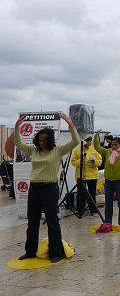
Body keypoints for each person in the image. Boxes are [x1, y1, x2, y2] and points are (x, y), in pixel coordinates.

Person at [15, 113, 79, 263]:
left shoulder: (58, 151)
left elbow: (76, 140)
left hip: (50, 188)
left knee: (52, 221)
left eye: (44, 139)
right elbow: (18, 144)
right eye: (39, 139)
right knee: (32, 221)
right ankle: (30, 251)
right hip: (34, 188)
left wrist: (69, 123)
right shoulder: (33, 151)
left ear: (49, 140)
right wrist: (17, 127)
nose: (41, 142)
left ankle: (56, 253)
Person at [94, 130, 120, 229]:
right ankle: (108, 221)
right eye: (112, 144)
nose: (113, 146)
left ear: (119, 145)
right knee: (108, 202)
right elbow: (97, 147)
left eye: (115, 145)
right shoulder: (107, 152)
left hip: (119, 181)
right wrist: (96, 136)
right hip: (108, 180)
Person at [71, 135, 102, 216]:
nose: (87, 142)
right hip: (80, 176)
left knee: (92, 194)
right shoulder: (78, 150)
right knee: (81, 194)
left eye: (89, 140)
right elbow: (73, 162)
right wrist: (81, 161)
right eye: (86, 140)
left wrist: (94, 161)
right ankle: (80, 210)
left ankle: (93, 210)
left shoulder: (95, 150)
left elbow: (100, 161)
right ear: (83, 141)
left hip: (92, 176)